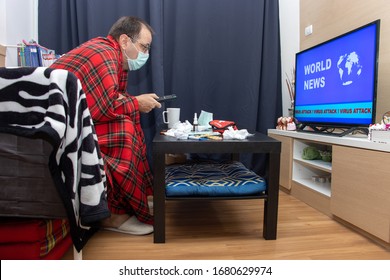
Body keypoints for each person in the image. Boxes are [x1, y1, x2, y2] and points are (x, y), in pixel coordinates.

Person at [50, 16, 161, 235]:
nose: (145, 54)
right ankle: (111, 215)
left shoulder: (109, 54)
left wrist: (134, 103)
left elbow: (109, 100)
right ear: (124, 41)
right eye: (144, 47)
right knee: (123, 131)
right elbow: (106, 106)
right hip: (59, 127)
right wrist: (137, 102)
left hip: (70, 121)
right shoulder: (104, 54)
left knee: (129, 121)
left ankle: (131, 202)